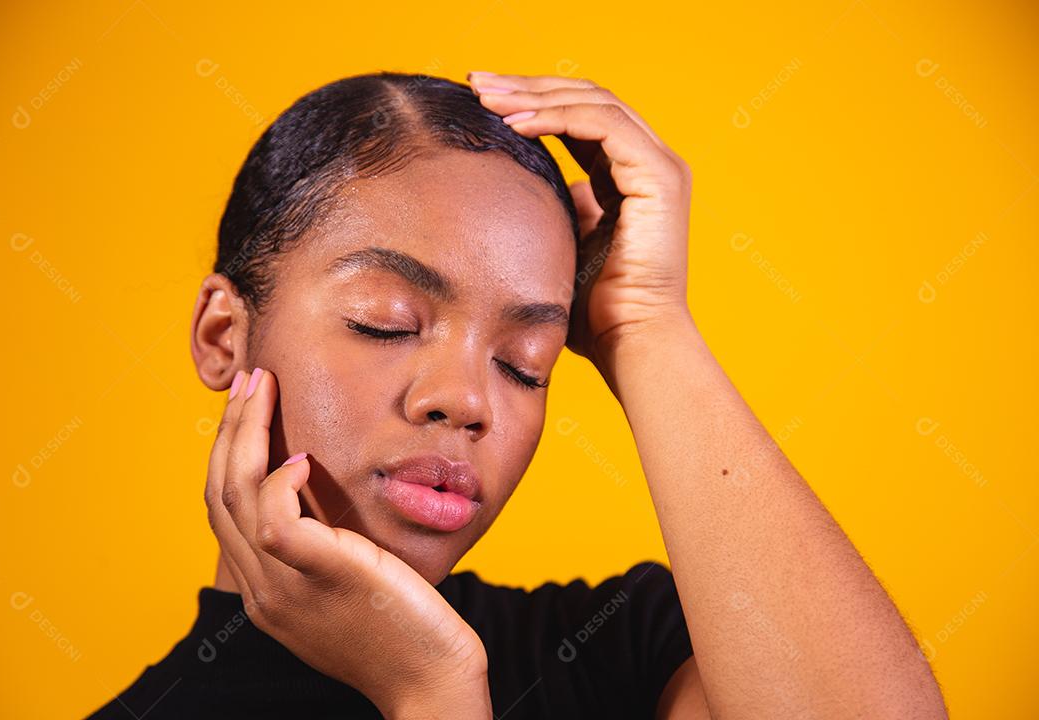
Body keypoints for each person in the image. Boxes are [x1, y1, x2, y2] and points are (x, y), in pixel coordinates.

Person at [84, 70, 948, 719]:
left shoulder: (620, 651)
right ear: (222, 337)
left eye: (526, 362)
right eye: (387, 322)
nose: (466, 400)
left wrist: (644, 324)